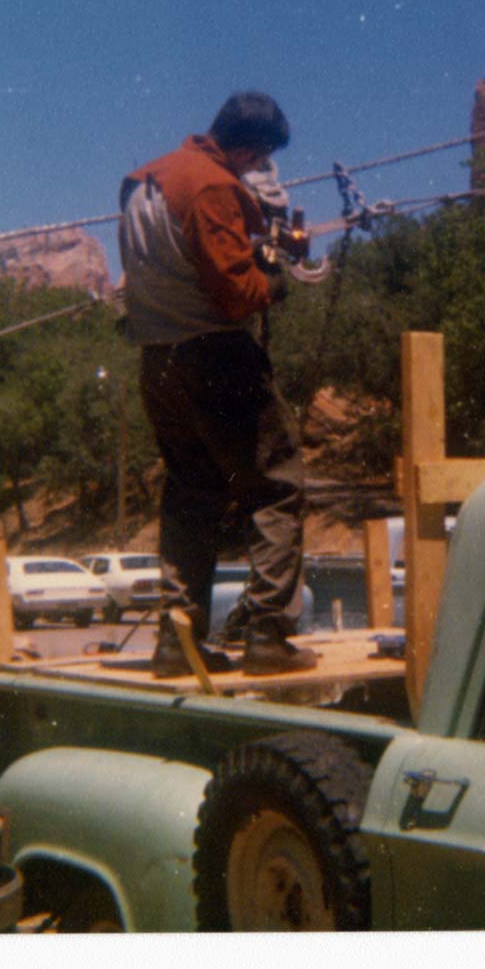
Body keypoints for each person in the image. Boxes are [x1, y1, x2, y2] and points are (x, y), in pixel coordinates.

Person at [118, 91, 317, 677]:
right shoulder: (210, 185)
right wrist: (278, 272)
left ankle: (176, 645)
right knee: (276, 485)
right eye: (258, 160)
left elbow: (190, 262)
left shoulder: (143, 181)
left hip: (158, 361)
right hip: (216, 356)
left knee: (191, 496)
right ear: (250, 146)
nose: (256, 170)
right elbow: (237, 295)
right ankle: (268, 636)